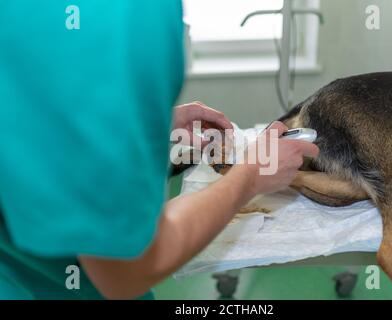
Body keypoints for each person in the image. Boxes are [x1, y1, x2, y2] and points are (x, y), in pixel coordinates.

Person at [0, 1, 319, 299]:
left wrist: (145, 123)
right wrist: (250, 176)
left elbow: (36, 111)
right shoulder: (127, 18)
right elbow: (126, 268)